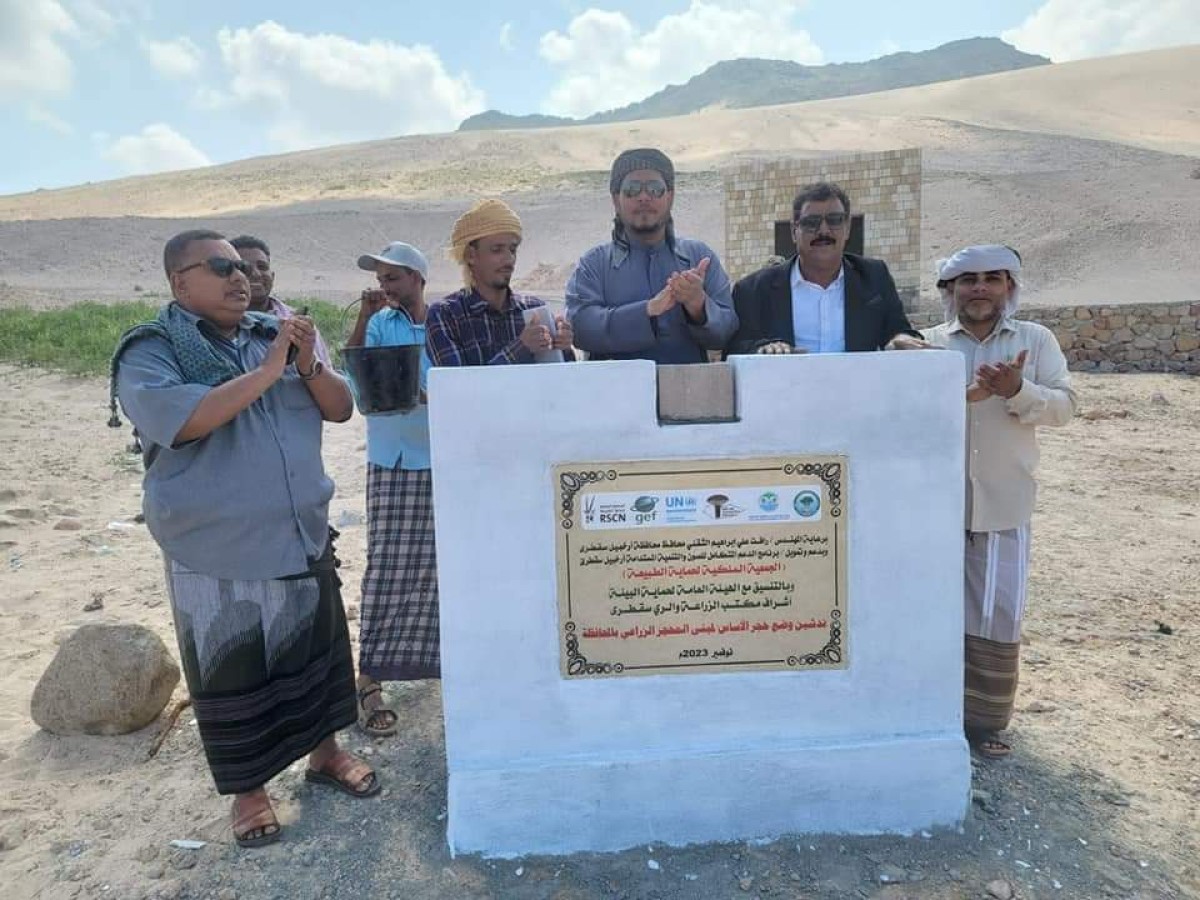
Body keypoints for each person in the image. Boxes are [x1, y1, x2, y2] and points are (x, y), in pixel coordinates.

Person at [110, 230, 377, 849]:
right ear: (180, 283)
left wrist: (305, 363)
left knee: (315, 652)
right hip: (215, 549)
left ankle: (326, 755)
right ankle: (250, 794)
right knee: (232, 674)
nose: (240, 277)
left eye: (244, 267)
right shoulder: (151, 351)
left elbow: (341, 407)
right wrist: (268, 371)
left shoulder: (271, 334)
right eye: (221, 267)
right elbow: (185, 419)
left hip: (298, 528)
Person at [922, 244, 1076, 759]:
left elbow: (1064, 407)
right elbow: (906, 410)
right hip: (934, 506)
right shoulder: (926, 345)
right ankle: (932, 716)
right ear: (949, 291)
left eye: (992, 278)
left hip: (1004, 499)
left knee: (995, 613)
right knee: (933, 612)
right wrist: (954, 397)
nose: (980, 288)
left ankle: (983, 726)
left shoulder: (1035, 339)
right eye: (967, 280)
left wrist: (1017, 389)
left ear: (1009, 286)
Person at [342, 242, 439, 737]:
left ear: (418, 278)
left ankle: (439, 665)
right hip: (394, 459)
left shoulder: (443, 322)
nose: (384, 286)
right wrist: (363, 315)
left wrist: (428, 394)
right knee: (387, 565)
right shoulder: (381, 323)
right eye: (380, 278)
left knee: (444, 565)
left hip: (442, 456)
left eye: (393, 277)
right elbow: (359, 371)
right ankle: (371, 678)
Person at [566, 148, 737, 363]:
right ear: (616, 200)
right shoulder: (594, 265)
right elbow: (580, 328)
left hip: (687, 393)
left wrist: (698, 306)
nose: (644, 197)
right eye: (632, 189)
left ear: (670, 196)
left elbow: (727, 332)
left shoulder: (699, 257)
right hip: (617, 394)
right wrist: (647, 311)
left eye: (655, 189)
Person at [725, 181, 926, 356]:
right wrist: (764, 348)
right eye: (811, 223)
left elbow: (898, 331)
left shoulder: (873, 277)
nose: (823, 231)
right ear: (794, 232)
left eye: (835, 220)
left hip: (858, 394)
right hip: (786, 396)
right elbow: (734, 349)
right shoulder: (754, 290)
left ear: (847, 228)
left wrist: (901, 339)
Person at [426, 198, 575, 366]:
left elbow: (561, 382)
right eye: (496, 250)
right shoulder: (445, 315)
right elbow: (460, 388)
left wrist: (563, 348)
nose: (509, 259)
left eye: (512, 250)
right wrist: (522, 348)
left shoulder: (533, 310)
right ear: (470, 255)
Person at [230, 234, 331, 365]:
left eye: (262, 267)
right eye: (245, 268)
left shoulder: (297, 322)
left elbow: (325, 370)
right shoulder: (220, 326)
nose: (255, 273)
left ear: (272, 276)